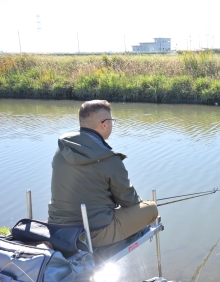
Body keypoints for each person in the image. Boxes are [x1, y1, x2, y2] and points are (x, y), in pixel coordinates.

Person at [48, 100, 158, 247]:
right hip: (92, 233)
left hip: (57, 228)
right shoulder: (110, 159)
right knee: (151, 208)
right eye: (112, 121)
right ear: (104, 124)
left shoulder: (62, 150)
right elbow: (129, 201)